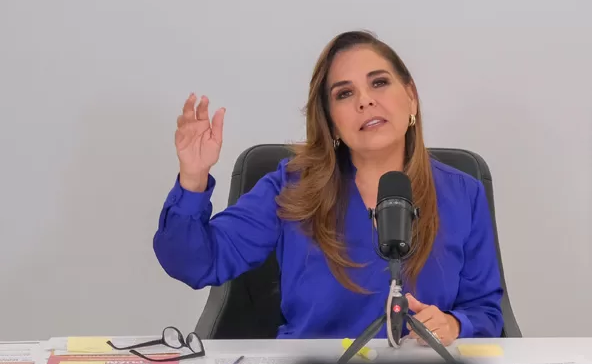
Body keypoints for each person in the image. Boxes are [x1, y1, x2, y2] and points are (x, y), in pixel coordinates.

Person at [153, 30, 504, 345]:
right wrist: (193, 178)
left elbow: (486, 311)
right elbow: (196, 263)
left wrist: (454, 324)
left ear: (410, 97)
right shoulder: (291, 187)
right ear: (331, 122)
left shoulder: (463, 193)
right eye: (345, 93)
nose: (365, 101)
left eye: (379, 83)